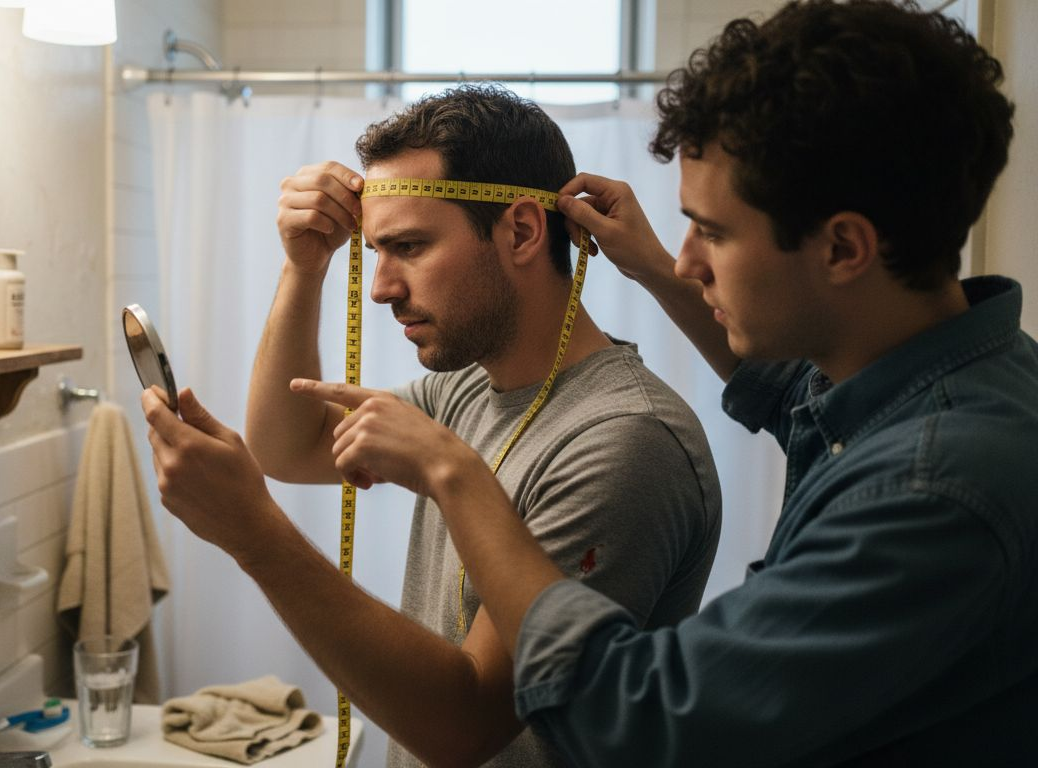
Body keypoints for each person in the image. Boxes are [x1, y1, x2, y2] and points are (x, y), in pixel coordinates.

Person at [292, 1, 1038, 765]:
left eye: (712, 232)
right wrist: (649, 267)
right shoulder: (948, 382)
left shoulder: (931, 487)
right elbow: (787, 393)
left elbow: (649, 714)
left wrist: (454, 476)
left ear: (844, 248)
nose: (686, 262)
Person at [141, 85, 723, 767]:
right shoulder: (465, 391)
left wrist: (255, 536)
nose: (381, 287)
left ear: (523, 232)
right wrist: (305, 267)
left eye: (410, 246)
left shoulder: (625, 440)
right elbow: (287, 446)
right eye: (376, 251)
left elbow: (465, 727)